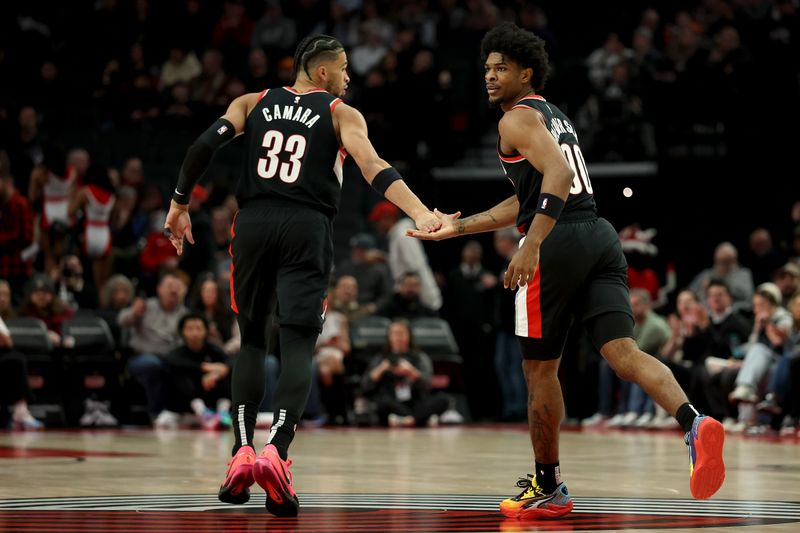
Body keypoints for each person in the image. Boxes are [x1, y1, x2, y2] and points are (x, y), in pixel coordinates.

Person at [407, 22, 726, 519]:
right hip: (598, 233)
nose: (490, 77)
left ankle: (549, 486)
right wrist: (459, 226)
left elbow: (554, 179)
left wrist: (533, 244)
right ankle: (693, 421)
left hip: (556, 241)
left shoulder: (514, 119)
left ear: (526, 73)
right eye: (487, 69)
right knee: (623, 351)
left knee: (538, 371)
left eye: (501, 69)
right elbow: (529, 195)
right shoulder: (554, 116)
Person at [163, 33, 441, 516]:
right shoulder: (338, 113)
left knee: (250, 339)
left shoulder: (250, 102)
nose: (349, 77)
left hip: (251, 224)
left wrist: (179, 202)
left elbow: (203, 145)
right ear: (321, 74)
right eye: (344, 68)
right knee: (296, 344)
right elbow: (372, 165)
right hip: (306, 227)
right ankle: (278, 451)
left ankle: (242, 452)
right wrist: (419, 212)